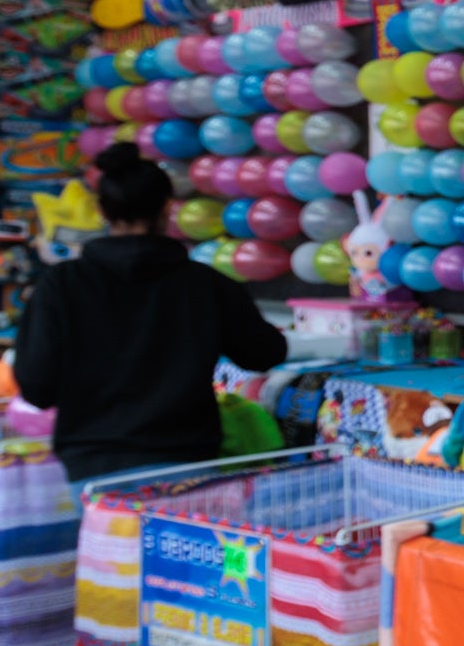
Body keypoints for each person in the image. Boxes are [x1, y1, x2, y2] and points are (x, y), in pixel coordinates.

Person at [16, 144, 288, 485]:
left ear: (102, 210)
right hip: (184, 459)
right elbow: (265, 353)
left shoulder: (61, 285)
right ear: (167, 208)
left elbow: (36, 387)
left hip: (93, 463)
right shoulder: (205, 284)